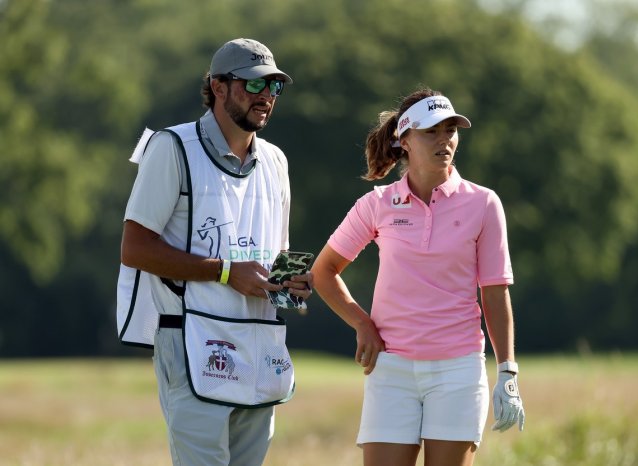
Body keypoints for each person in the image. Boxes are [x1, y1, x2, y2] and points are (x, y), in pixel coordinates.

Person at [117, 38, 312, 466]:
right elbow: (134, 248)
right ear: (218, 87)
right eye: (254, 86)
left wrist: (289, 285)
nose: (266, 98)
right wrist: (225, 271)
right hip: (191, 339)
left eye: (274, 88)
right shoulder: (172, 148)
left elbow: (271, 255)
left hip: (259, 341)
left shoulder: (276, 161)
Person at [311, 87, 525, 466]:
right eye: (431, 131)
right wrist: (362, 324)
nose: (445, 140)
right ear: (405, 140)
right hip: (390, 369)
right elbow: (324, 272)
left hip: (458, 369)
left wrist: (507, 371)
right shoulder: (377, 204)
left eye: (450, 130)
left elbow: (494, 293)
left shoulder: (483, 203)